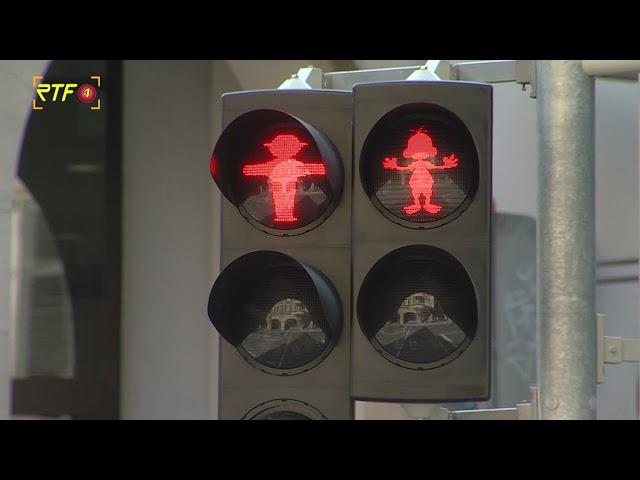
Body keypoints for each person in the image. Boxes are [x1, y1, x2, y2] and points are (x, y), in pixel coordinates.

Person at [383, 128, 458, 215]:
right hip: (417, 181)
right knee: (416, 192)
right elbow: (406, 168)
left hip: (426, 180)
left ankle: (427, 204)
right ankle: (417, 204)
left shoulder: (426, 163)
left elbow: (435, 167)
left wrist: (446, 165)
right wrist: (395, 166)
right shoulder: (416, 164)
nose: (420, 154)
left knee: (427, 192)